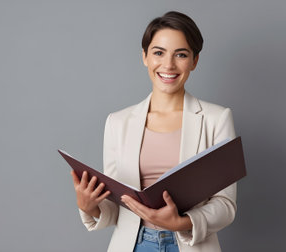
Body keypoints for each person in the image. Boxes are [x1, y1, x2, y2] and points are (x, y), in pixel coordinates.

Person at [70, 11, 237, 252]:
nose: (168, 65)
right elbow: (116, 206)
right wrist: (89, 206)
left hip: (190, 245)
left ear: (194, 61)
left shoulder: (217, 118)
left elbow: (225, 204)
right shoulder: (118, 122)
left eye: (181, 54)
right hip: (134, 245)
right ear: (145, 57)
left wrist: (182, 222)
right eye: (158, 52)